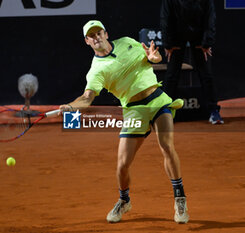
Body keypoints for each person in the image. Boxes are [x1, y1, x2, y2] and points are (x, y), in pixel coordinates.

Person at [58, 20, 189, 224]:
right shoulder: (96, 71)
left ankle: (180, 199)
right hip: (134, 111)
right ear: (87, 41)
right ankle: (124, 200)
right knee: (122, 165)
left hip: (157, 100)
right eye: (91, 35)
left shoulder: (127, 42)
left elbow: (151, 57)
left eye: (99, 32)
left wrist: (155, 58)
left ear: (106, 33)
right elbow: (87, 98)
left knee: (166, 146)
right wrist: (70, 106)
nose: (97, 37)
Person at [160, 0, 224, 124]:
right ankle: (165, 113)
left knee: (206, 75)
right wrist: (168, 43)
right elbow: (165, 18)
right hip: (176, 36)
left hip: (199, 36)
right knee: (172, 75)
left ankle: (213, 111)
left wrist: (207, 42)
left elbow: (209, 18)